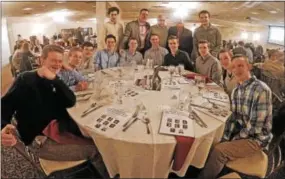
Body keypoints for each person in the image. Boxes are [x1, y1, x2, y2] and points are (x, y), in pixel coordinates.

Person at [198, 54, 273, 179]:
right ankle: (207, 167)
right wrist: (226, 137)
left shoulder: (261, 89)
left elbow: (256, 127)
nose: (236, 70)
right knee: (213, 141)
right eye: (233, 67)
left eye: (240, 66)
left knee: (219, 151)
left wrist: (234, 139)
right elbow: (233, 118)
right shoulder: (236, 90)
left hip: (256, 139)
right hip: (242, 132)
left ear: (249, 67)